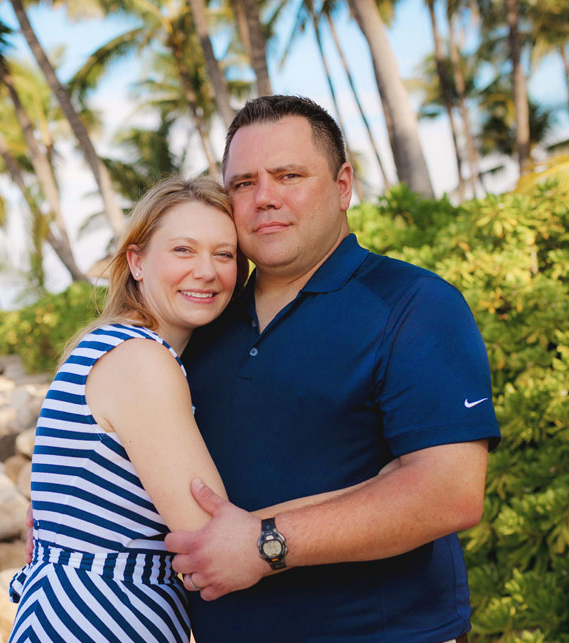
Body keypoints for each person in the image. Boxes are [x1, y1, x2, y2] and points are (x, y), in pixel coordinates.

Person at [165, 95, 501, 642]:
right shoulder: (203, 319)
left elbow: (450, 491)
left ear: (343, 185)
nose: (265, 198)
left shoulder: (413, 305)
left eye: (289, 175)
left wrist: (264, 544)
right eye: (243, 183)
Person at [6, 176, 243, 642]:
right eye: (183, 250)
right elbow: (210, 537)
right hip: (99, 618)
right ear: (136, 261)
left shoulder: (116, 346)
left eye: (224, 253)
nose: (206, 270)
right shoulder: (139, 359)